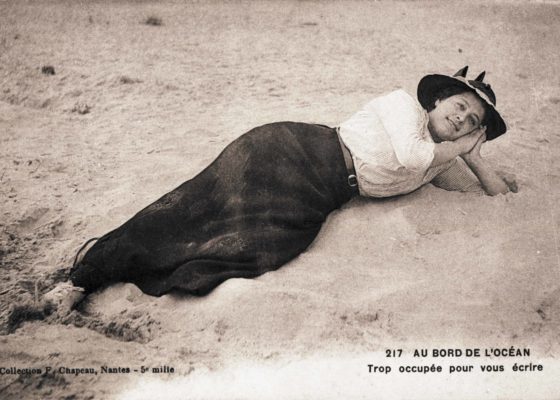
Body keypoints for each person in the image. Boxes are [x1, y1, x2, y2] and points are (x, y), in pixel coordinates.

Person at [44, 66, 517, 315]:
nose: (461, 119)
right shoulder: (400, 107)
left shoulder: (440, 158)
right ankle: (81, 279)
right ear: (437, 100)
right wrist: (461, 149)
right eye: (459, 107)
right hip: (290, 151)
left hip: (317, 195)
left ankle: (144, 274)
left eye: (472, 122)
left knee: (261, 249)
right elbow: (414, 156)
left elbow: (493, 193)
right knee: (190, 209)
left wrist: (474, 157)